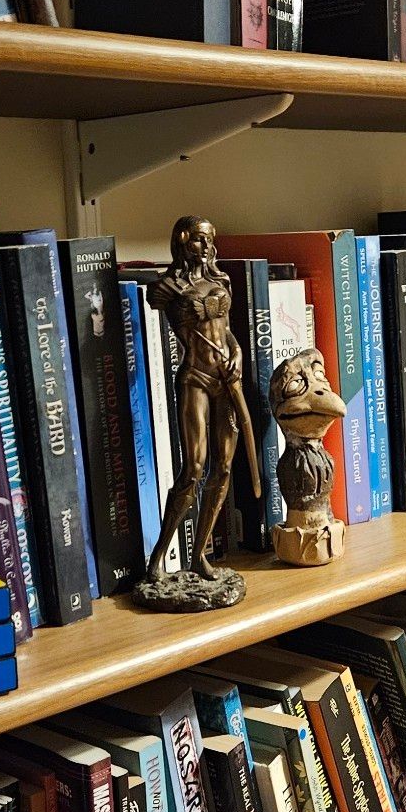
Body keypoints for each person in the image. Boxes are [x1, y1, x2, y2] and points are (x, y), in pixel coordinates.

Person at [145, 215, 259, 584]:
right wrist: (198, 309)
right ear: (181, 242)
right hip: (195, 378)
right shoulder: (167, 288)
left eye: (209, 240)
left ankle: (199, 555)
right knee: (194, 468)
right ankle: (158, 558)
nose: (206, 247)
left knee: (223, 468)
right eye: (197, 240)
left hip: (226, 380)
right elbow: (177, 319)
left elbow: (229, 336)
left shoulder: (220, 279)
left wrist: (238, 358)